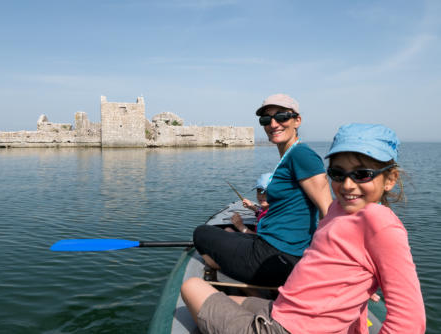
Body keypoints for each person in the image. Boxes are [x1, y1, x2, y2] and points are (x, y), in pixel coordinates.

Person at [181, 123, 426, 333]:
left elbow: (410, 322)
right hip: (284, 311)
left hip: (288, 328)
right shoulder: (337, 210)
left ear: (390, 179)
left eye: (363, 174)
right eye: (338, 174)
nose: (348, 185)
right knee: (230, 299)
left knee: (191, 287)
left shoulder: (380, 224)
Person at [194, 93, 333, 286]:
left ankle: (242, 281)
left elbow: (328, 211)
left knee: (201, 233)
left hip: (278, 256)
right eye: (266, 119)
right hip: (271, 245)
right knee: (221, 231)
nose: (274, 124)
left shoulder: (302, 155)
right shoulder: (290, 155)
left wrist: (328, 263)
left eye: (282, 117)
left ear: (297, 120)